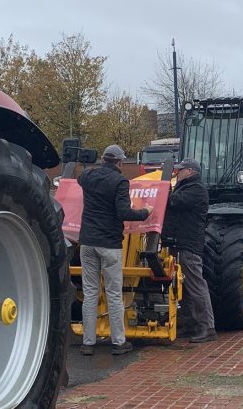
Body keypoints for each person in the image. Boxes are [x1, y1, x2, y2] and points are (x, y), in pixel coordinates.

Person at [78, 144, 153, 356]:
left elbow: (80, 177)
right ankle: (119, 342)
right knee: (112, 293)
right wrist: (146, 212)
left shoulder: (88, 177)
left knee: (90, 292)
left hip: (87, 242)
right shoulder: (120, 182)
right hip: (109, 244)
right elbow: (123, 212)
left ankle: (88, 342)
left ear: (103, 159)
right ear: (120, 162)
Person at [161, 158, 216, 343]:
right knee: (182, 286)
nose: (178, 172)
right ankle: (190, 323)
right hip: (179, 242)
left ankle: (206, 327)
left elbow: (174, 202)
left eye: (181, 170)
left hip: (189, 244)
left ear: (191, 171)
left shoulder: (196, 190)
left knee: (195, 284)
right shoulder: (185, 187)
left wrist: (164, 190)